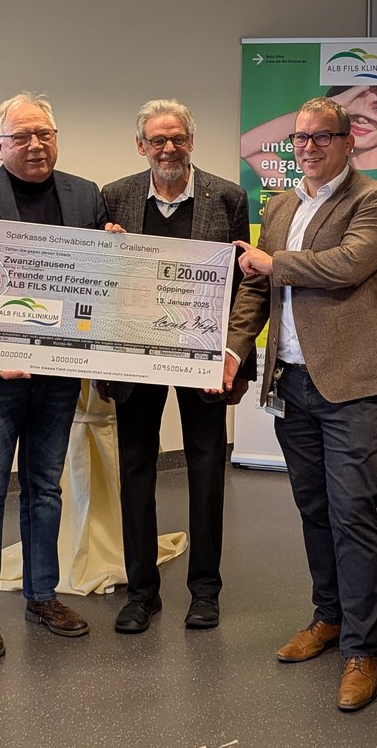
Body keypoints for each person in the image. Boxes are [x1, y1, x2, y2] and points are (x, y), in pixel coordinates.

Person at [221, 96, 377, 711]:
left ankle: (362, 650)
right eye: (300, 138)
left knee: (353, 513)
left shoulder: (376, 200)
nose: (308, 147)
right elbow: (256, 289)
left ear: (347, 141)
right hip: (291, 383)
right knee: (314, 507)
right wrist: (234, 350)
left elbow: (347, 265)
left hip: (351, 385)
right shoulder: (279, 206)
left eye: (322, 136)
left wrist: (275, 262)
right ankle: (328, 617)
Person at [0, 92, 106, 660]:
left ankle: (41, 596)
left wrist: (115, 250)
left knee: (45, 490)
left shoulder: (85, 194)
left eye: (45, 134)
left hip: (59, 373)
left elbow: (97, 277)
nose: (36, 145)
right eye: (22, 136)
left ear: (56, 138)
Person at [97, 99, 254, 634]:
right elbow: (101, 282)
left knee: (207, 470)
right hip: (135, 356)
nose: (168, 149)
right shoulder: (114, 196)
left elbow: (243, 283)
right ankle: (142, 592)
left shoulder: (227, 197)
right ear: (140, 145)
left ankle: (205, 591)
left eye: (178, 139)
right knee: (135, 471)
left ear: (191, 142)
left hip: (201, 356)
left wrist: (234, 357)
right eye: (157, 140)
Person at [241, 83, 377, 222]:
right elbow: (246, 146)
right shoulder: (309, 174)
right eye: (353, 107)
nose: (363, 117)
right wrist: (331, 107)